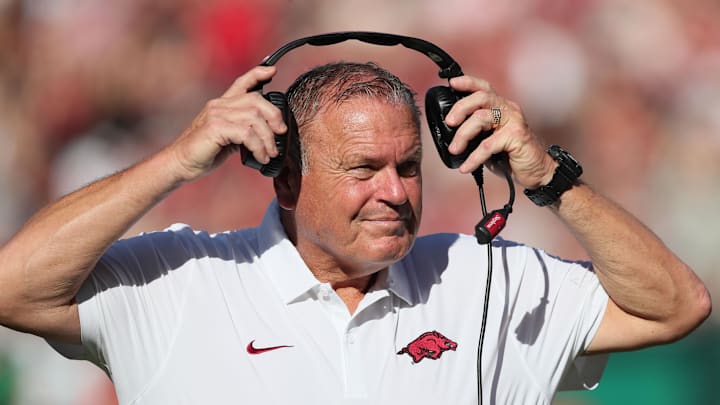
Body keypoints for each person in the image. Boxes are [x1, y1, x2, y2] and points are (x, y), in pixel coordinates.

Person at [0, 60, 710, 405]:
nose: (396, 192)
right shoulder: (183, 276)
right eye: (363, 168)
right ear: (282, 175)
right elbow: (14, 287)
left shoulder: (488, 273)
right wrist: (177, 161)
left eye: (408, 165)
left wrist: (546, 175)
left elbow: (676, 304)